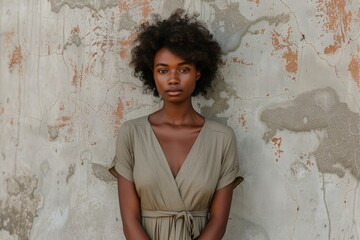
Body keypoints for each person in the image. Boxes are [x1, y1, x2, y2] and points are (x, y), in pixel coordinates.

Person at [113, 8, 242, 240]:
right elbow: (129, 220)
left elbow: (219, 222)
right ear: (152, 74)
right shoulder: (131, 134)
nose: (173, 79)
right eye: (163, 70)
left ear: (199, 73)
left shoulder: (222, 139)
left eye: (183, 69)